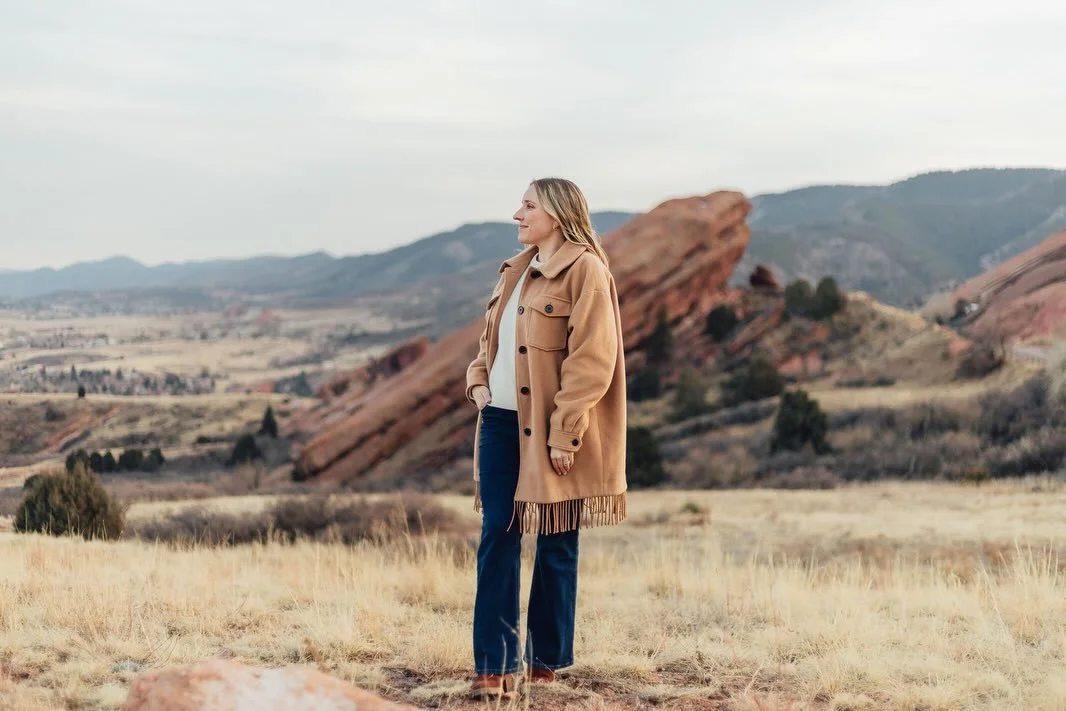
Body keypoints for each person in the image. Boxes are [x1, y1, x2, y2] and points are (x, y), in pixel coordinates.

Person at [464, 177, 628, 699]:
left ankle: (545, 664)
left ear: (555, 214)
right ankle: (495, 666)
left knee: (557, 542)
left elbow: (592, 362)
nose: (517, 214)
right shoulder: (514, 271)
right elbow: (489, 342)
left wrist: (566, 433)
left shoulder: (586, 272)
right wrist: (479, 384)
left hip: (555, 432)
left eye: (528, 206)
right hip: (500, 424)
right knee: (498, 538)